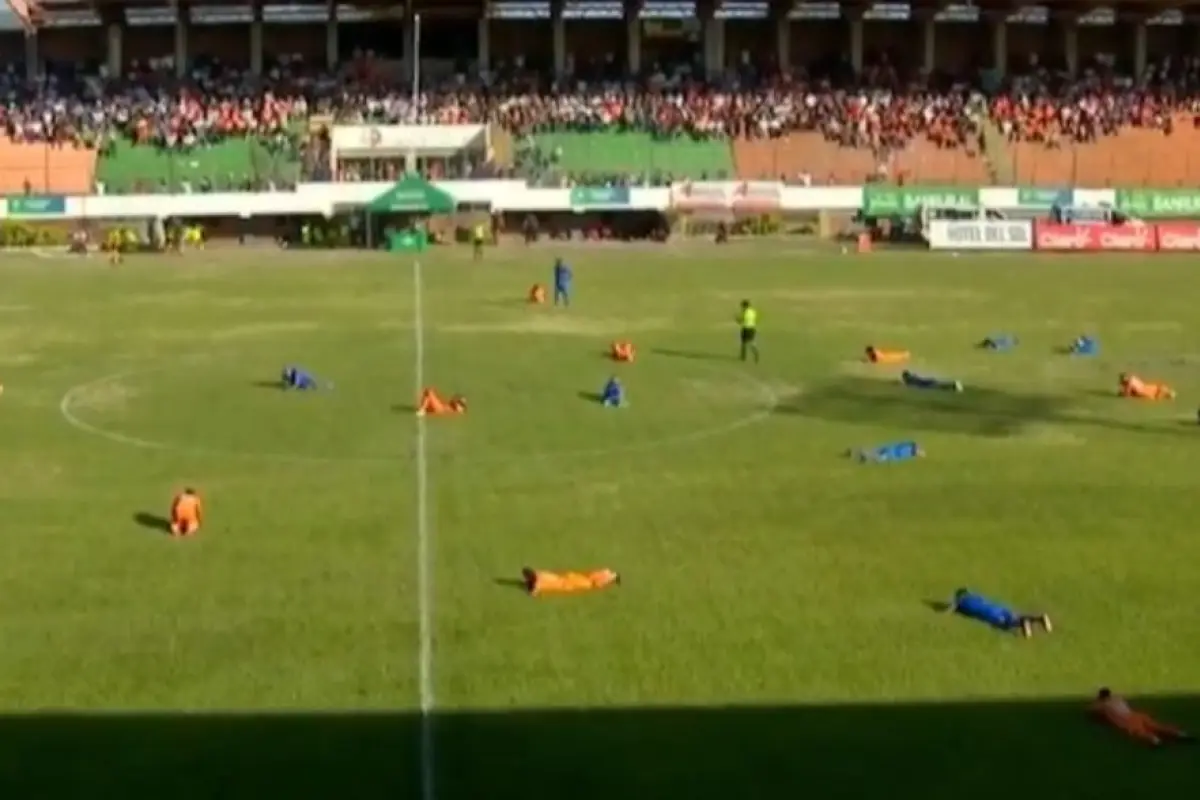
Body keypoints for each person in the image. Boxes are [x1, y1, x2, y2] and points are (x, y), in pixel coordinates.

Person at [1090, 688, 1193, 746]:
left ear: (1101, 697)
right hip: (1137, 714)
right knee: (1157, 726)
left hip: (1127, 720)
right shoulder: (1118, 698)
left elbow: (1091, 710)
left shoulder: (1103, 704)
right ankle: (1180, 734)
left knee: (1140, 732)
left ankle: (1155, 740)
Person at [950, 588, 1052, 638]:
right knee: (1012, 617)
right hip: (999, 607)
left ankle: (1024, 624)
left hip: (991, 615)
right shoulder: (976, 597)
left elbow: (953, 608)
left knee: (1004, 624)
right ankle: (1039, 619)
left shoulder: (961, 605)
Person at [522, 567, 620, 596]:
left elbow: (533, 592)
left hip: (568, 583)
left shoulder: (538, 583)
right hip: (568, 578)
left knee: (592, 583)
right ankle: (608, 573)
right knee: (588, 577)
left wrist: (529, 587)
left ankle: (612, 576)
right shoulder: (540, 574)